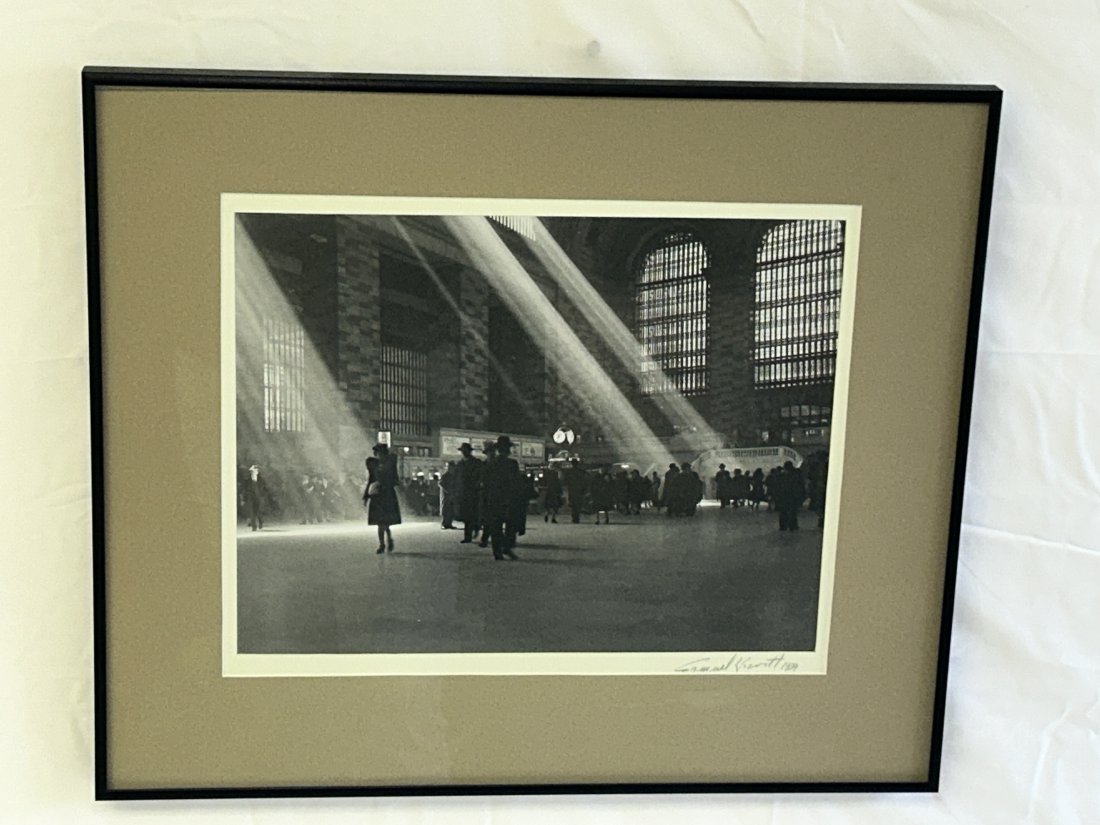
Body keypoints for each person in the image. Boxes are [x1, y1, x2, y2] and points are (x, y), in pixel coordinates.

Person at [480, 435, 520, 560]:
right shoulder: (512, 464)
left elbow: (485, 483)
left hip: (494, 498)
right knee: (510, 526)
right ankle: (506, 547)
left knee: (495, 526)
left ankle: (497, 551)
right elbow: (516, 482)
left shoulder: (491, 464)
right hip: (508, 498)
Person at [364, 443, 401, 553]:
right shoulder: (374, 464)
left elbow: (394, 479)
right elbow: (370, 480)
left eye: (379, 453)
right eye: (377, 453)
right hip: (378, 495)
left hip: (387, 495)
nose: (378, 455)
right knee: (380, 522)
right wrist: (366, 495)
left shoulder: (390, 464)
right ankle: (383, 543)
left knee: (384, 522)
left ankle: (386, 541)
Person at [454, 443, 483, 544]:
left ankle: (474, 529)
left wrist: (478, 485)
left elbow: (480, 476)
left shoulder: (476, 463)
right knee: (466, 515)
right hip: (463, 493)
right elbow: (456, 479)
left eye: (465, 450)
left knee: (472, 514)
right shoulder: (460, 464)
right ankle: (468, 535)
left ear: (469, 451)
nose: (464, 452)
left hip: (473, 492)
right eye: (462, 451)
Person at [773, 460, 806, 531]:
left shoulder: (781, 476)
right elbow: (800, 486)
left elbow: (777, 487)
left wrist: (777, 496)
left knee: (783, 511)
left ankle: (783, 526)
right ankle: (793, 525)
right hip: (793, 496)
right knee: (793, 511)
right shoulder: (796, 475)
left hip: (784, 496)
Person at [563, 458, 588, 524]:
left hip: (571, 489)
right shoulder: (581, 472)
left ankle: (574, 517)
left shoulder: (568, 472)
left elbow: (565, 481)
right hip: (579, 490)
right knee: (578, 504)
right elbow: (584, 481)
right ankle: (577, 517)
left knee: (573, 505)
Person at [243, 464, 266, 531]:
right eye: (252, 471)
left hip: (259, 498)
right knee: (252, 512)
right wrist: (244, 499)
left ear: (257, 471)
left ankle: (261, 522)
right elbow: (245, 490)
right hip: (251, 498)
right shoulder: (247, 480)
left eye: (254, 471)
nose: (252, 472)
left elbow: (264, 489)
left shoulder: (261, 480)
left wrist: (263, 497)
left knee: (259, 512)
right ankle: (254, 526)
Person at [439, 461, 458, 529]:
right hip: (446, 496)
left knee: (451, 509)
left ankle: (449, 523)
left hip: (452, 495)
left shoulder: (454, 476)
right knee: (446, 509)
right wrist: (447, 491)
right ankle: (444, 523)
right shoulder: (445, 476)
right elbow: (441, 484)